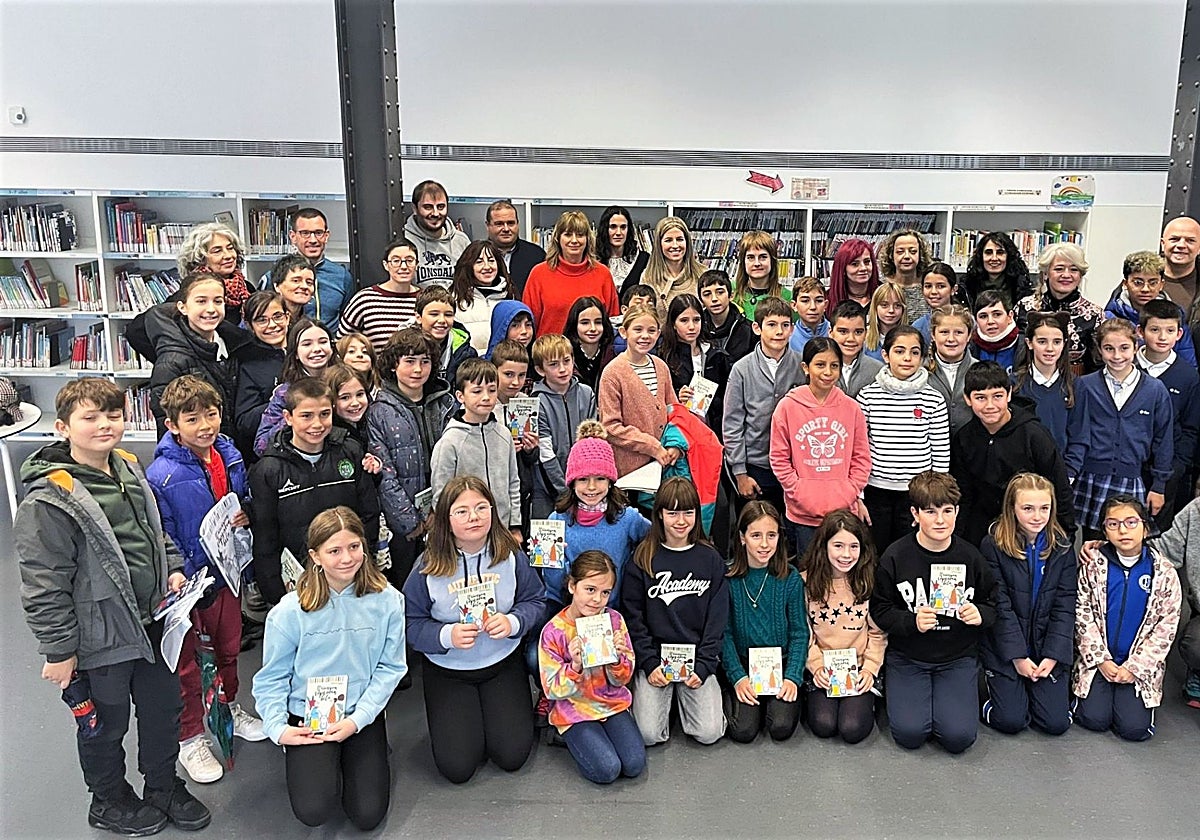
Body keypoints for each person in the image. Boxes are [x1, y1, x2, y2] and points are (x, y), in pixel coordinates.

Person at [16, 378, 210, 835]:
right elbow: (43, 583)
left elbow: (154, 533)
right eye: (90, 417)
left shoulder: (127, 466)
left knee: (163, 710)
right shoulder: (49, 498)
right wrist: (59, 650)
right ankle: (107, 799)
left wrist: (172, 568)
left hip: (153, 622)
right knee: (105, 724)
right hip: (99, 634)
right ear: (63, 427)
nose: (105, 424)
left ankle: (162, 785)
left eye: (114, 414)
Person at [252, 507, 406, 830]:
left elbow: (391, 667)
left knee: (368, 814)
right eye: (334, 551)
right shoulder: (288, 612)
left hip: (360, 713)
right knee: (314, 809)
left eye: (354, 547)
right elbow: (272, 679)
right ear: (315, 556)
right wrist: (278, 728)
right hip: (309, 719)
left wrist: (358, 719)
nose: (347, 558)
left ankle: (364, 747)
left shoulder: (389, 600)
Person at [146, 377, 263, 785]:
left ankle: (228, 707)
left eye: (211, 415)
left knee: (229, 649)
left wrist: (246, 511)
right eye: (192, 419)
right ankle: (191, 736)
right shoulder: (161, 474)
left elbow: (240, 499)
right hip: (188, 585)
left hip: (226, 574)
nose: (204, 425)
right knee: (189, 666)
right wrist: (176, 569)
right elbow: (162, 529)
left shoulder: (229, 455)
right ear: (172, 425)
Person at [403, 476, 544, 783]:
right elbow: (409, 624)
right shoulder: (427, 566)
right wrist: (445, 635)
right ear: (446, 518)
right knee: (458, 768)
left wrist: (514, 622)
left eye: (482, 507)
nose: (474, 517)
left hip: (502, 663)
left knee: (512, 756)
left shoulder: (511, 555)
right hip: (448, 671)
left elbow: (535, 599)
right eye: (462, 511)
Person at [870, 471, 998, 754]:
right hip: (908, 656)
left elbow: (993, 603)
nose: (940, 520)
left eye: (947, 511)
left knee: (958, 737)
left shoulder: (971, 557)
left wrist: (980, 614)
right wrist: (910, 621)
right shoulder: (895, 556)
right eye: (930, 512)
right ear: (915, 514)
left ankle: (953, 694)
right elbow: (880, 609)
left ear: (957, 512)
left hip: (957, 657)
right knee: (910, 734)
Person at [248, 376, 381, 606]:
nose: (317, 424)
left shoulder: (350, 451)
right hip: (302, 583)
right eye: (306, 416)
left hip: (350, 573)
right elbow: (265, 539)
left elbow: (368, 514)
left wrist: (364, 563)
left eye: (324, 414)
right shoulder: (268, 470)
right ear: (288, 417)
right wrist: (276, 595)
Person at [621, 478, 728, 746]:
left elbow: (717, 621)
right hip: (656, 659)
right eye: (672, 513)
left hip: (697, 658)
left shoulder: (711, 559)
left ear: (697, 514)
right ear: (659, 514)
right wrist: (649, 662)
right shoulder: (642, 558)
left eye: (688, 513)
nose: (681, 521)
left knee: (709, 732)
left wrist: (704, 665)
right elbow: (634, 618)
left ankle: (697, 700)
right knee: (647, 735)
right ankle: (665, 704)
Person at [1072, 495, 1181, 741]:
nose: (1123, 530)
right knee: (1094, 719)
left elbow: (1166, 626)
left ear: (1145, 528)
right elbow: (1082, 613)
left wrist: (1134, 667)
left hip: (1138, 665)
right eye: (1113, 524)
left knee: (1134, 729)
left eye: (1131, 522)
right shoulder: (1093, 565)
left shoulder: (1163, 572)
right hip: (1100, 660)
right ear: (1104, 531)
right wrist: (1101, 660)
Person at [979, 473, 1076, 736]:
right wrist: (1018, 657)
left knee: (1056, 723)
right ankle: (988, 692)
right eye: (1028, 508)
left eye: (1045, 508)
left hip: (1046, 646)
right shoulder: (993, 544)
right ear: (1012, 508)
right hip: (1006, 648)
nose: (1037, 516)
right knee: (1010, 720)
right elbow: (1000, 605)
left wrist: (1053, 655)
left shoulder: (1062, 546)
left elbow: (1065, 605)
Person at [538, 551, 646, 784]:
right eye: (590, 589)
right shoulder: (553, 631)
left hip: (611, 704)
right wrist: (575, 666)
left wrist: (617, 661)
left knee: (634, 764)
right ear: (572, 586)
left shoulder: (614, 620)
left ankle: (597, 737)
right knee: (607, 770)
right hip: (574, 710)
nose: (597, 599)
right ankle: (563, 735)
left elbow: (623, 678)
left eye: (605, 592)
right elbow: (551, 689)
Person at [1065, 318, 1174, 538]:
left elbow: (1163, 440)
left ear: (1135, 347)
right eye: (1109, 349)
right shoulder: (1084, 385)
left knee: (1127, 541)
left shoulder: (1155, 389)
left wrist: (1159, 485)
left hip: (1130, 479)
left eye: (1124, 348)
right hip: (1090, 479)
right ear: (1099, 350)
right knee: (1091, 543)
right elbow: (1076, 433)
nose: (1117, 356)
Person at [950, 362, 1075, 546]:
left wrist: (1066, 535)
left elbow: (1059, 486)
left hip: (1026, 528)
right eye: (980, 398)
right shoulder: (964, 438)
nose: (990, 405)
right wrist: (958, 540)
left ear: (1008, 394)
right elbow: (964, 494)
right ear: (967, 399)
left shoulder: (1034, 434)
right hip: (981, 530)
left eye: (997, 396)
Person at [368, 326, 455, 590]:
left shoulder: (445, 403)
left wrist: (440, 510)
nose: (418, 369)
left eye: (425, 361)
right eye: (409, 361)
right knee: (407, 587)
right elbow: (385, 474)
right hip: (403, 526)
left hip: (444, 513)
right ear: (393, 365)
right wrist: (410, 522)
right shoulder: (379, 411)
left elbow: (457, 460)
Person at [770, 338, 871, 554]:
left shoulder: (852, 408)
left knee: (842, 566)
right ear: (806, 367)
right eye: (820, 364)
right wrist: (798, 490)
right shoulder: (787, 407)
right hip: (802, 515)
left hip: (844, 513)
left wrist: (850, 490)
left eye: (834, 365)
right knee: (808, 568)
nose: (828, 372)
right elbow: (779, 458)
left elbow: (861, 457)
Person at [540, 422, 652, 618]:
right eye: (583, 479)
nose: (591, 487)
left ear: (610, 482)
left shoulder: (628, 518)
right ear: (572, 483)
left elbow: (654, 541)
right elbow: (553, 587)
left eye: (600, 478)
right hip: (568, 612)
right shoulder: (555, 521)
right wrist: (551, 562)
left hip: (615, 612)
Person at [856, 327, 950, 551]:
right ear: (885, 355)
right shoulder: (868, 396)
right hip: (876, 490)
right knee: (875, 549)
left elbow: (940, 451)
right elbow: (858, 449)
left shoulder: (933, 399)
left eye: (914, 352)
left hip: (916, 492)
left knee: (910, 550)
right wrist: (858, 495)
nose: (907, 358)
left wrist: (935, 495)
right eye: (899, 351)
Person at [721, 502, 808, 743]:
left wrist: (792, 677)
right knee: (743, 731)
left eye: (771, 535)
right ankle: (728, 691)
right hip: (744, 663)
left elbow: (800, 633)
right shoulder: (728, 579)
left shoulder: (790, 578)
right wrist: (737, 677)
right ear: (742, 538)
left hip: (781, 664)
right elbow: (724, 634)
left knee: (781, 727)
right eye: (756, 535)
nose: (764, 544)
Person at [800, 509, 886, 744]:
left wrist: (870, 669)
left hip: (859, 668)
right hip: (822, 668)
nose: (846, 554)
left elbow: (877, 633)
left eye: (853, 546)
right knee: (823, 724)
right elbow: (803, 632)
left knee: (852, 728)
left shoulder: (869, 580)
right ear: (824, 546)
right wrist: (816, 666)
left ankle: (872, 698)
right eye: (838, 546)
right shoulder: (805, 582)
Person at [723, 296, 805, 518]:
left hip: (794, 465)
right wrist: (740, 473)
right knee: (755, 524)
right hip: (755, 465)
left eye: (785, 325)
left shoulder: (802, 366)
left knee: (789, 528)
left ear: (792, 329)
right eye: (771, 325)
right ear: (757, 328)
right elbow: (732, 424)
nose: (779, 332)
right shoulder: (741, 369)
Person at [148, 271, 250, 440]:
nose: (211, 309)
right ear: (183, 307)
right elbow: (167, 426)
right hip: (197, 449)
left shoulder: (234, 345)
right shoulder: (171, 362)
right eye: (201, 301)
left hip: (228, 447)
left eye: (218, 301)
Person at [431, 359, 522, 538]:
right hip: (466, 533)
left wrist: (515, 525)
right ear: (460, 396)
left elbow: (513, 483)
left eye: (492, 390)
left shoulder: (504, 435)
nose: (486, 397)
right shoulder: (449, 442)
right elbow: (441, 495)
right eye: (477, 391)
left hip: (501, 530)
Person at [597, 302, 680, 477]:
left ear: (658, 333)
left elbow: (673, 411)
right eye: (638, 329)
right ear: (624, 332)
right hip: (631, 469)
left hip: (664, 464)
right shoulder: (612, 373)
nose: (645, 336)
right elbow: (610, 427)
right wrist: (651, 446)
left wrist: (675, 444)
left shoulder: (661, 366)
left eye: (651, 330)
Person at [1136, 299, 1200, 523]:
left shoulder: (1188, 376)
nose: (1162, 337)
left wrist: (1176, 469)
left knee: (1158, 532)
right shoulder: (1126, 366)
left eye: (1170, 331)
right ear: (1140, 331)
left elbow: (1190, 429)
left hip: (1167, 472)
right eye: (1154, 330)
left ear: (1179, 334)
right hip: (1128, 466)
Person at [531, 334, 598, 518]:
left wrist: (582, 485)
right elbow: (545, 454)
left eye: (566, 361)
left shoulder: (586, 394)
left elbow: (591, 442)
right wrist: (565, 492)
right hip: (547, 488)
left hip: (583, 484)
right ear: (540, 369)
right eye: (553, 364)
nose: (562, 369)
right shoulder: (537, 401)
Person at [523, 210, 620, 337]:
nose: (574, 240)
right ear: (557, 238)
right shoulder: (539, 274)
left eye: (580, 235)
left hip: (592, 349)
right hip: (550, 349)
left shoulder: (603, 274)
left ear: (588, 239)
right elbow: (528, 323)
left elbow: (612, 323)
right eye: (568, 234)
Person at [1013, 242, 1104, 375]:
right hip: (1028, 380)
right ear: (1046, 273)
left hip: (1076, 382)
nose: (1066, 275)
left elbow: (1097, 366)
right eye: (1059, 269)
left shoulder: (1094, 314)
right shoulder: (1025, 307)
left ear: (1080, 275)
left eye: (1074, 270)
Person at [253, 317, 339, 455]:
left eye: (323, 342)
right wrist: (293, 418)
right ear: (296, 353)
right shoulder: (285, 392)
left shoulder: (345, 383)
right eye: (307, 344)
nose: (317, 349)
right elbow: (260, 446)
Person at [1105, 250, 1197, 367]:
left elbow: (1188, 364)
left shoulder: (1175, 315)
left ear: (1161, 284)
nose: (1145, 289)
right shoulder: (1109, 318)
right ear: (1125, 283)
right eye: (1138, 282)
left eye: (1153, 283)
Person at [1153, 496, 1200, 708]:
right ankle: (1197, 671)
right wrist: (1108, 546)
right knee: (1195, 646)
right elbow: (1164, 550)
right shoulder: (1196, 510)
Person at [657, 293, 731, 429]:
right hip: (680, 428)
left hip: (714, 427)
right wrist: (677, 396)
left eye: (696, 320)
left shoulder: (716, 353)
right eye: (684, 320)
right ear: (673, 324)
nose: (691, 326)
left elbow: (727, 394)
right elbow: (658, 399)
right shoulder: (663, 357)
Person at [282, 207, 358, 333]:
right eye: (305, 233)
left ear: (326, 236)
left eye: (318, 233)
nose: (313, 240)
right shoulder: (277, 276)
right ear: (293, 236)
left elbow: (348, 321)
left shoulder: (342, 276)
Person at [337, 238, 422, 350]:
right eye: (396, 261)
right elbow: (341, 342)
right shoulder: (365, 299)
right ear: (386, 265)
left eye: (409, 260)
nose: (403, 266)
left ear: (417, 264)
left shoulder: (424, 299)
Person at [233, 291, 289, 456]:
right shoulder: (249, 364)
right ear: (250, 325)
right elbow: (244, 422)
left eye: (277, 316)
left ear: (287, 317)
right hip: (276, 452)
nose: (272, 325)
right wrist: (280, 401)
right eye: (261, 320)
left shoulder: (305, 349)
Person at [1011, 311, 1075, 452]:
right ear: (1029, 343)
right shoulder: (1014, 384)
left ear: (1064, 343)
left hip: (1063, 463)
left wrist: (1070, 465)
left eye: (1056, 342)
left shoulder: (1074, 385)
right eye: (1042, 342)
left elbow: (1079, 437)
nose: (1050, 349)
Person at [450, 240, 516, 355]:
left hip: (502, 361)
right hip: (468, 363)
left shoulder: (510, 295)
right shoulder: (454, 297)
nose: (487, 267)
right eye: (479, 262)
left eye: (491, 261)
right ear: (468, 265)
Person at [177, 222, 250, 324]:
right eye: (217, 251)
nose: (228, 256)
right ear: (200, 259)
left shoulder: (246, 287)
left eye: (230, 248)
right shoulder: (188, 293)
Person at [404, 180, 470, 288]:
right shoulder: (404, 241)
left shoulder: (462, 241)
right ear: (415, 209)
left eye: (440, 207)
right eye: (428, 207)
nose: (435, 213)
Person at [925, 304, 978, 435]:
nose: (951, 339)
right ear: (933, 335)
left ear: (969, 335)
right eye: (944, 332)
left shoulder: (981, 371)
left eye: (958, 332)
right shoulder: (921, 371)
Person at [642, 216, 707, 320]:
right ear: (659, 244)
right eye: (668, 240)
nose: (675, 245)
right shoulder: (648, 277)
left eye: (680, 239)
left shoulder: (703, 274)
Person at [416, 286, 477, 387]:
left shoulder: (466, 353)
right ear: (419, 317)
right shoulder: (403, 348)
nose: (442, 320)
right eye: (434, 314)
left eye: (448, 315)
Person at [485, 199, 545, 296]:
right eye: (499, 224)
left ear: (517, 224)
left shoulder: (537, 255)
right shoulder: (475, 256)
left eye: (511, 223)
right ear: (488, 226)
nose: (506, 229)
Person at [698, 268, 756, 369]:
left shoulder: (748, 330)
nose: (714, 299)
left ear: (731, 296)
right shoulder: (697, 330)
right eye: (707, 294)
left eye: (720, 292)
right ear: (701, 300)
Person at [732, 230, 793, 321]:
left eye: (763, 257)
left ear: (772, 260)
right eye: (751, 257)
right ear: (743, 262)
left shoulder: (787, 297)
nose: (757, 263)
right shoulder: (730, 291)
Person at [829, 300, 883, 399]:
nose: (851, 339)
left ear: (866, 333)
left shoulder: (877, 370)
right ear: (831, 333)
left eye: (858, 332)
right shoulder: (818, 367)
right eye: (843, 332)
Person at [563, 295, 617, 394]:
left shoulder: (613, 355)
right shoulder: (564, 356)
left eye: (598, 322)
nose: (593, 328)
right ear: (574, 325)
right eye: (585, 323)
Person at [877, 228, 934, 322]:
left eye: (913, 251)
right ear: (891, 255)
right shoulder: (880, 285)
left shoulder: (929, 287)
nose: (907, 256)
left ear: (921, 255)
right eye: (900, 252)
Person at [963, 232, 1032, 308]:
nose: (994, 258)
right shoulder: (967, 286)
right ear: (980, 256)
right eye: (988, 252)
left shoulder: (1021, 286)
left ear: (1009, 256)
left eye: (1000, 252)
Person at [1159, 215, 1200, 335]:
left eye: (1190, 240)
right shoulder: (1139, 282)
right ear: (1163, 244)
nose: (1181, 245)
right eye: (1174, 239)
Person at [597, 205, 649, 293]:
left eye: (623, 227)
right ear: (605, 229)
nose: (618, 232)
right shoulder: (593, 261)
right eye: (613, 227)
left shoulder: (643, 259)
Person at [969, 291, 1021, 373]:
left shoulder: (1025, 346)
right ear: (976, 321)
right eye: (983, 316)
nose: (990, 321)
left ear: (1010, 316)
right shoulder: (968, 347)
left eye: (997, 314)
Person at [824, 238, 879, 311]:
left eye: (867, 262)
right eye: (855, 264)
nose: (863, 268)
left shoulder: (885, 295)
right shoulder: (827, 300)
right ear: (843, 269)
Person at [910, 262, 959, 342]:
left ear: (953, 289)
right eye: (928, 286)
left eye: (941, 286)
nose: (933, 292)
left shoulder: (967, 321)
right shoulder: (918, 327)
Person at [862, 281, 906, 361]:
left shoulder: (911, 338)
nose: (891, 310)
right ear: (875, 308)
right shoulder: (863, 338)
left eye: (897, 305)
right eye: (884, 305)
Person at [787, 276, 830, 355]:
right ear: (794, 305)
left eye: (819, 301)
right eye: (805, 301)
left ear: (825, 305)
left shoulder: (835, 332)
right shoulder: (787, 336)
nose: (813, 307)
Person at [336, 332, 381, 398]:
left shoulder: (382, 390)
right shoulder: (332, 389)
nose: (360, 355)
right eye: (351, 351)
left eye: (365, 352)